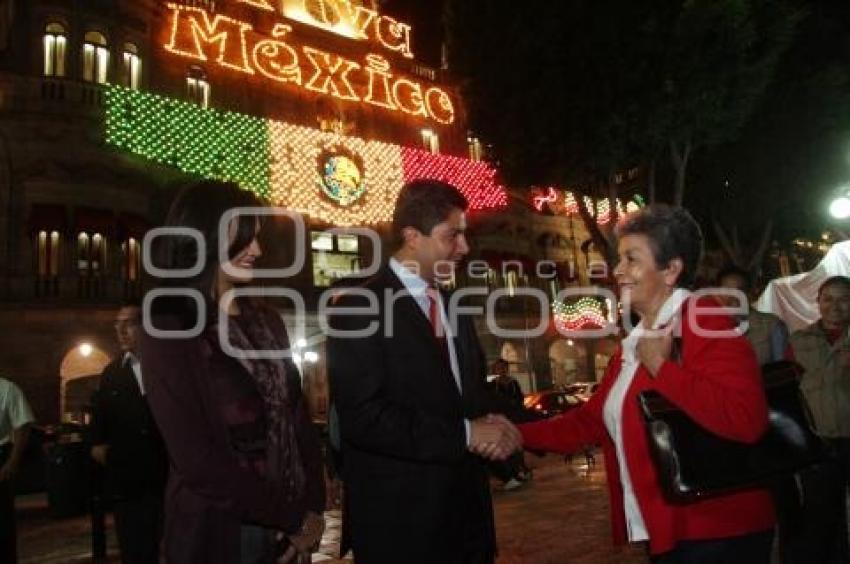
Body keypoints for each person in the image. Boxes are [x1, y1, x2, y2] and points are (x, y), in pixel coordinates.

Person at [519, 204, 775, 562]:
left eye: (630, 259)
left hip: (718, 533)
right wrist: (517, 435)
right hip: (672, 532)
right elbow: (590, 421)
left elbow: (747, 419)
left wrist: (661, 367)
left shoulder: (703, 320)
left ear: (671, 270)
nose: (617, 270)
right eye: (619, 259)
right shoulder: (637, 340)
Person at [327, 179, 523, 564]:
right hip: (403, 528)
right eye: (453, 236)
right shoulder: (359, 308)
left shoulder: (454, 308)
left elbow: (469, 396)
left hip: (467, 524)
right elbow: (363, 418)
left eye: (465, 236)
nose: (464, 248)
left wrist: (523, 427)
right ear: (412, 237)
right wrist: (466, 433)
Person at [139, 180, 326, 564]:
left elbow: (296, 419)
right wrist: (291, 516)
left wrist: (313, 509)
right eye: (243, 238)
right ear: (202, 238)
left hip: (289, 527)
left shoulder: (267, 320)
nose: (256, 250)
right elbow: (196, 459)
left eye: (256, 237)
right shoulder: (169, 325)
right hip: (219, 531)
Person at [89, 301, 168, 564]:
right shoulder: (112, 373)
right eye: (117, 324)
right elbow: (97, 438)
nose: (121, 331)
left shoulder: (170, 366)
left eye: (129, 324)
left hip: (169, 481)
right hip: (130, 487)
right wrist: (117, 461)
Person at [782, 275, 850, 563]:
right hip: (820, 443)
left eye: (844, 299)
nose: (836, 306)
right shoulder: (798, 341)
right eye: (828, 299)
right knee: (821, 517)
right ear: (818, 303)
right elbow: (790, 394)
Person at [715, 265, 789, 364]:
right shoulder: (708, 328)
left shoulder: (771, 325)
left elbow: (781, 368)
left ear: (749, 294)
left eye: (738, 291)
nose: (732, 297)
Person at [0, 375, 34, 564]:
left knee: (2, 525)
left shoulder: (7, 389)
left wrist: (13, 461)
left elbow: (23, 424)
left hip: (1, 455)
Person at [486, 359, 528, 491]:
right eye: (499, 368)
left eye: (504, 368)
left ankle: (518, 472)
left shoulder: (513, 383)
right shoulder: (493, 384)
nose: (502, 370)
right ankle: (511, 474)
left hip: (513, 418)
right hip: (500, 420)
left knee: (516, 447)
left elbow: (520, 399)